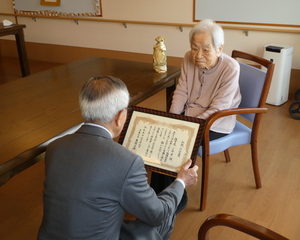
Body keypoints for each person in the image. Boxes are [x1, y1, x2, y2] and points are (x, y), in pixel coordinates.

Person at [37, 76, 199, 240]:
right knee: (164, 215)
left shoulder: (55, 147)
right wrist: (181, 182)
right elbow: (158, 214)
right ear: (120, 116)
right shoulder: (127, 161)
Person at [150, 19, 241, 195]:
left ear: (220, 48)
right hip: (188, 116)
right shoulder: (187, 58)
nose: (198, 55)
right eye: (194, 48)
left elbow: (219, 108)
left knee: (177, 144)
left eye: (206, 49)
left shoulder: (231, 68)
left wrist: (187, 127)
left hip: (217, 122)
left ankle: (172, 197)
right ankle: (156, 197)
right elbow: (181, 91)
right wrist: (173, 119)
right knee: (162, 136)